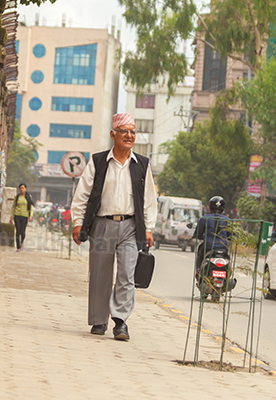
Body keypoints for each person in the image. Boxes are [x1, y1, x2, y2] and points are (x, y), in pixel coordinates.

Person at [71, 113, 157, 341]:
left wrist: (148, 228)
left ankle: (120, 321)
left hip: (130, 226)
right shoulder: (98, 161)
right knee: (100, 274)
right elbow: (83, 194)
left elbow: (149, 199)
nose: (129, 136)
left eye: (132, 132)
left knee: (127, 274)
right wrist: (77, 223)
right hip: (102, 224)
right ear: (113, 135)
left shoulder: (142, 165)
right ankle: (99, 321)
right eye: (124, 131)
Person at [195, 196, 231, 270]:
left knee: (200, 254)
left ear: (210, 207)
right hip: (223, 248)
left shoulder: (204, 218)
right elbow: (231, 236)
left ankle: (198, 270)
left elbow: (198, 234)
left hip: (208, 247)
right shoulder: (228, 220)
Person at [10, 183, 34, 252]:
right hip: (17, 215)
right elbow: (13, 207)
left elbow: (31, 207)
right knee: (18, 231)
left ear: (25, 189)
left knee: (22, 232)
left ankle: (22, 242)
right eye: (20, 188)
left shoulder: (28, 197)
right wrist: (11, 216)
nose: (21, 189)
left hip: (25, 216)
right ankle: (18, 247)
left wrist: (31, 215)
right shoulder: (17, 197)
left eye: (23, 188)